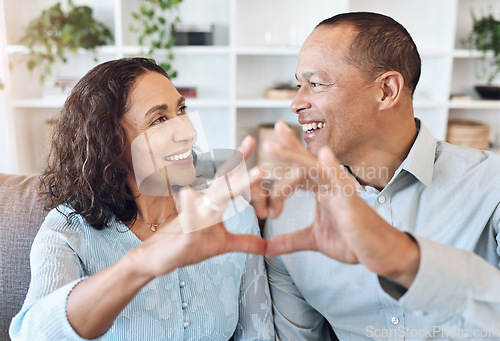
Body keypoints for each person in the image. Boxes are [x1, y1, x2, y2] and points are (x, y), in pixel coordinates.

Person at [240, 12, 500, 340]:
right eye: (298, 85)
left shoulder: (492, 185)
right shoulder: (290, 214)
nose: (296, 102)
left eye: (315, 83)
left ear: (386, 90)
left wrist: (402, 258)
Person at [9, 57, 274, 341]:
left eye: (181, 110)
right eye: (159, 119)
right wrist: (142, 262)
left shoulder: (231, 215)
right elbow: (31, 334)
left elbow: (258, 335)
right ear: (109, 141)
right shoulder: (67, 229)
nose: (188, 132)